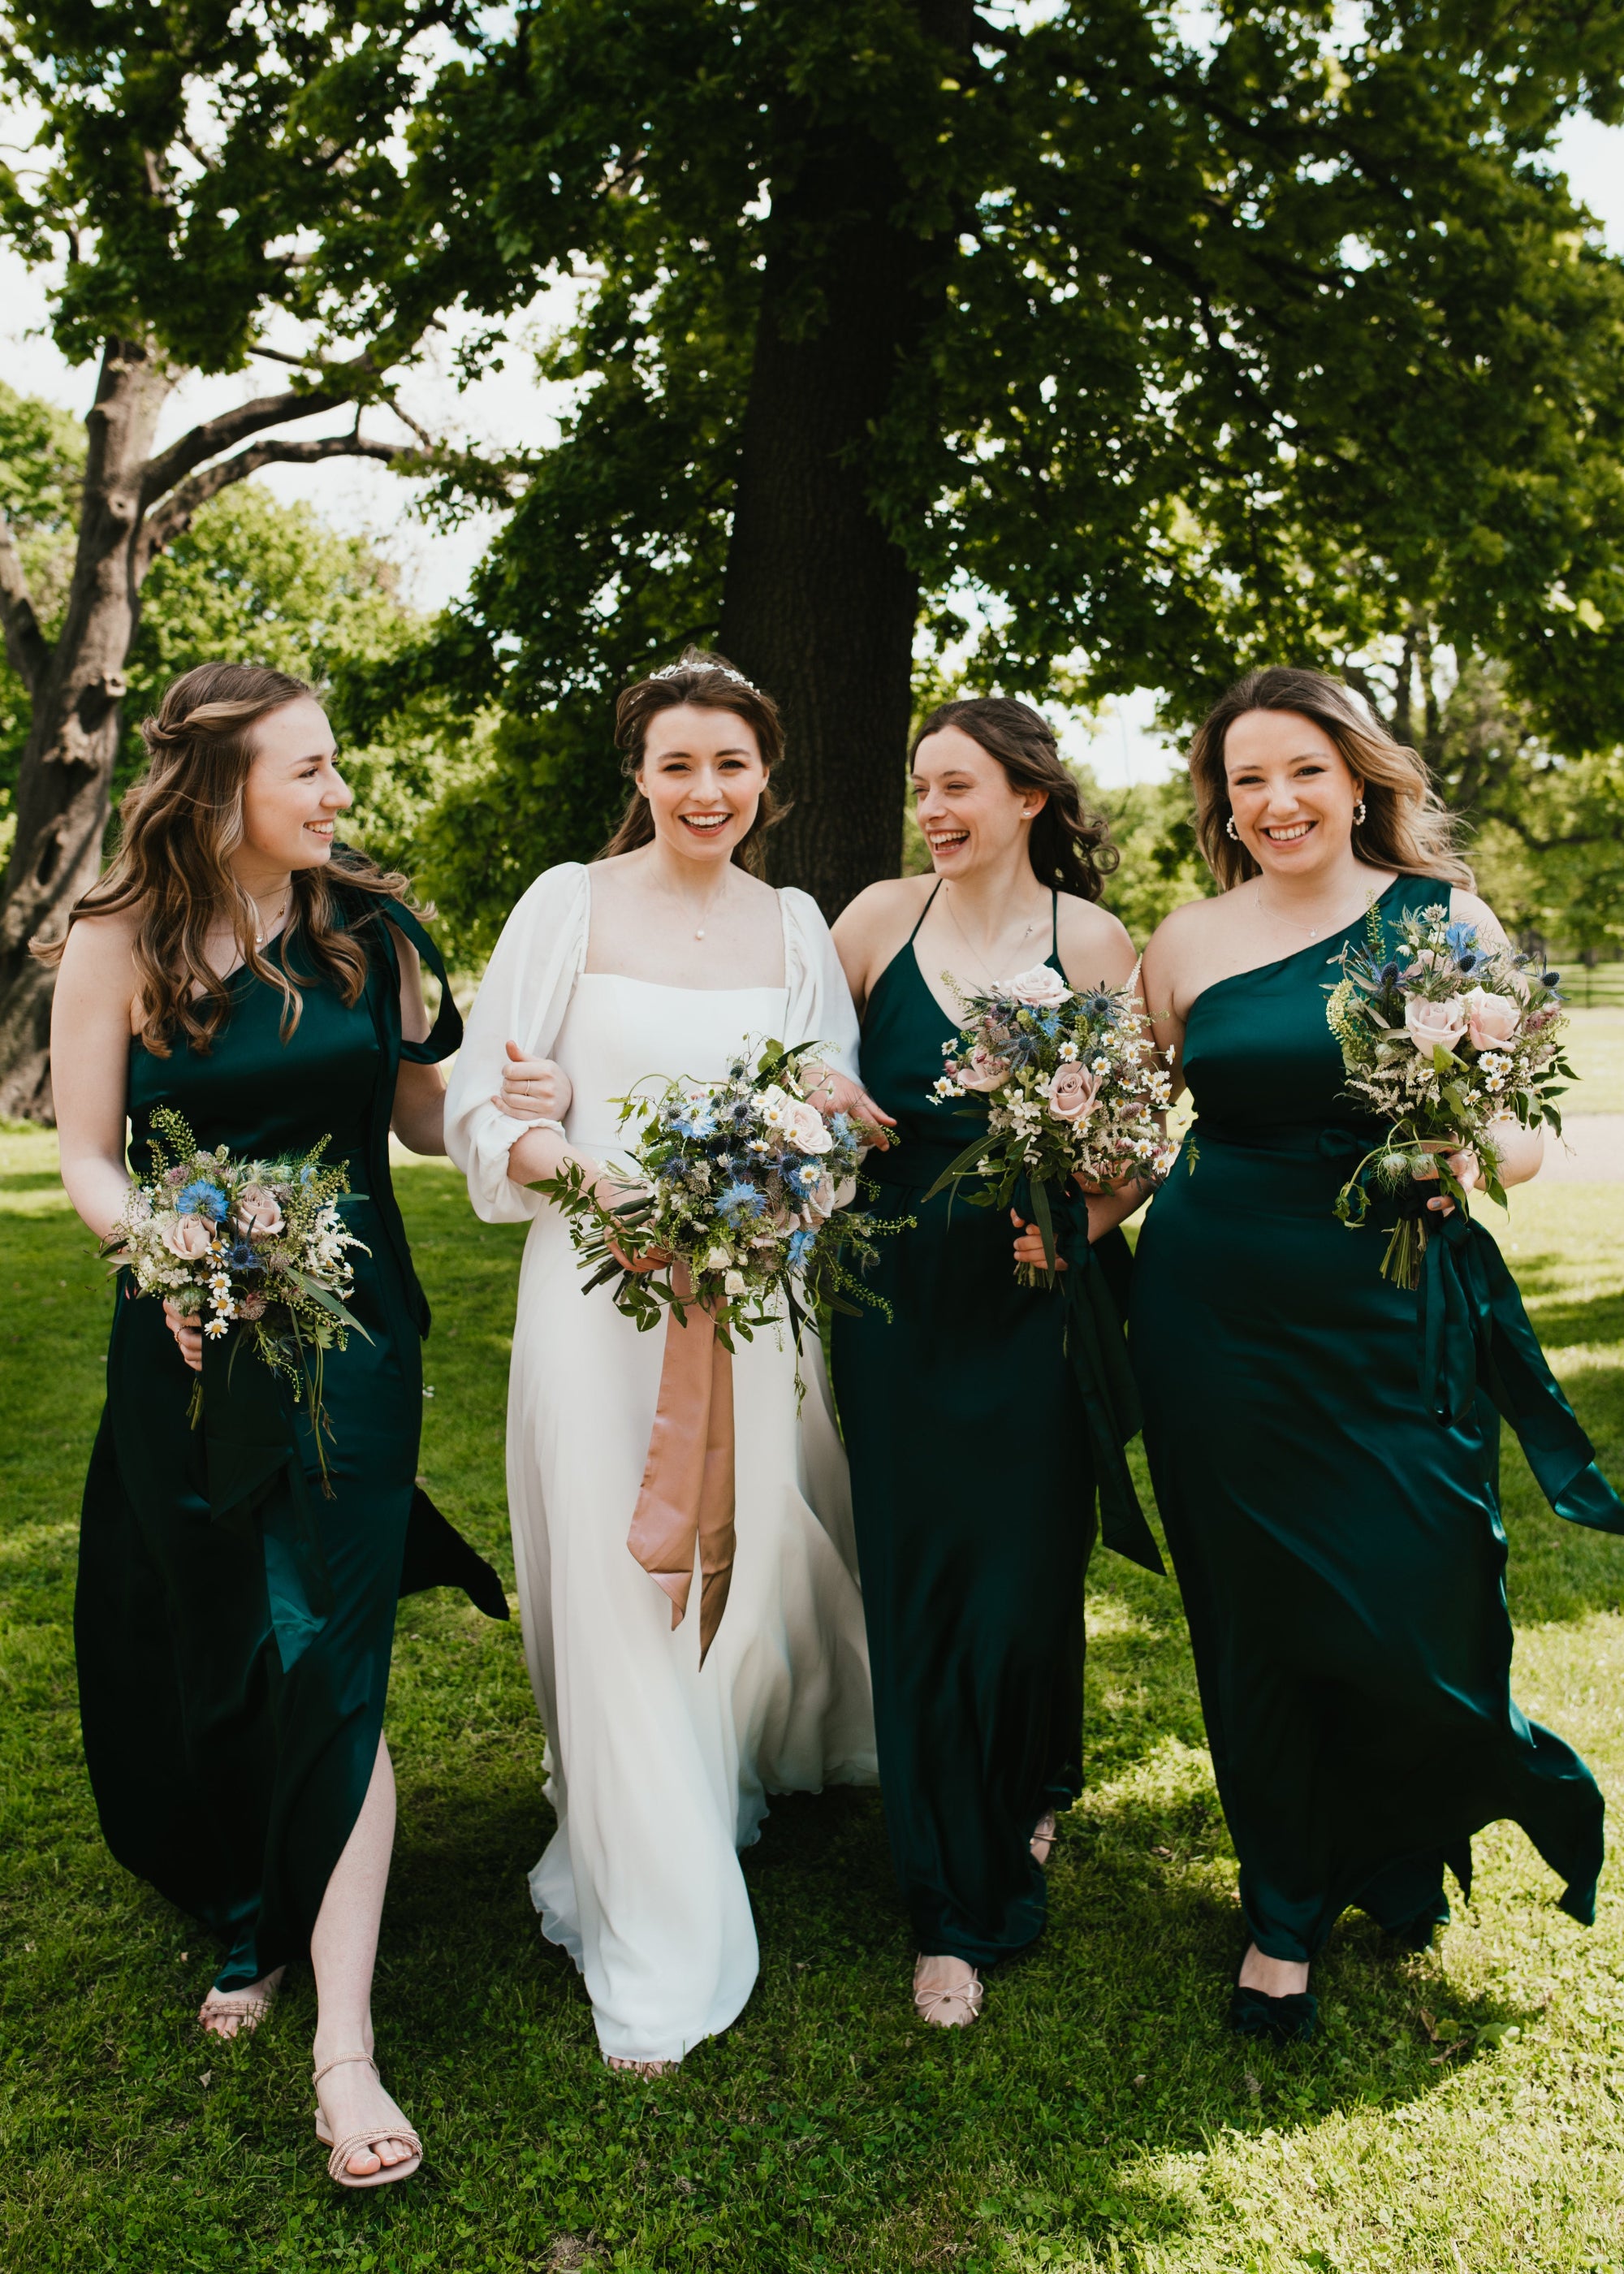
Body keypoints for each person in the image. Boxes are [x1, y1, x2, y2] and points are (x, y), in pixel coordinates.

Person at [47, 664, 505, 2187]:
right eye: (307, 771)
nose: (337, 795)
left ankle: (346, 2047)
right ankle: (250, 1916)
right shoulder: (114, 940)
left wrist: (524, 1105)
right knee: (223, 1645)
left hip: (357, 1348)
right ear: (219, 786)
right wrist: (168, 1257)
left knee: (332, 1653)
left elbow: (423, 1117)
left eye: (334, 767)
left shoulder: (363, 930)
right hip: (181, 1347)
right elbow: (92, 1163)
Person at [1129, 664, 1621, 2040]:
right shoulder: (1187, 942)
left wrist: (1472, 1144)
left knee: (1422, 1587)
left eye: (1301, 771)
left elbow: (1522, 1129)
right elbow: (1128, 1130)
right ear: (1223, 804)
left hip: (1391, 1299)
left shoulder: (1445, 919)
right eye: (1247, 781)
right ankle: (1284, 1906)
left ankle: (1404, 1844)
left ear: (1358, 778)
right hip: (1213, 1306)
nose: (1277, 802)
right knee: (1256, 1610)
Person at [445, 646, 879, 2074]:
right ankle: (657, 1913)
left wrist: (807, 1163)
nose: (706, 790)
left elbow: (834, 1112)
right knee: (621, 1573)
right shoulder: (566, 904)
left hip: (751, 1307)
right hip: (597, 1298)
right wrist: (578, 1170)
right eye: (678, 763)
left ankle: (715, 1782)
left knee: (738, 1568)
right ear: (637, 772)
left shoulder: (798, 923)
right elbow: (476, 1098)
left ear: (767, 778)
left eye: (731, 765)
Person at [829, 696, 1153, 2030]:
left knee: (1028, 1575)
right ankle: (949, 1910)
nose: (935, 811)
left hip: (1035, 1308)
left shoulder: (1099, 943)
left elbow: (1133, 1149)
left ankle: (1026, 1785)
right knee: (923, 1585)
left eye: (959, 786)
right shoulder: (869, 926)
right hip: (895, 1305)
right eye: (922, 789)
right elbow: (815, 1098)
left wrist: (1070, 1225)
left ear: (1028, 796)